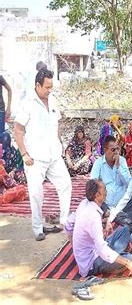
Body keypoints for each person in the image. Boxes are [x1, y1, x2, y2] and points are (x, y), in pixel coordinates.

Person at [14, 68, 72, 241]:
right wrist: (24, 154)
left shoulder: (52, 100)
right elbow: (18, 130)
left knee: (66, 184)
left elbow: (58, 123)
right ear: (37, 85)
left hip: (53, 154)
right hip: (34, 158)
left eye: (51, 87)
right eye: (46, 87)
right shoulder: (27, 103)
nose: (49, 90)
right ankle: (38, 228)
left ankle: (64, 220)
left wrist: (59, 143)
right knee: (36, 193)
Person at [64, 179, 132, 278]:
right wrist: (127, 263)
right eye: (104, 189)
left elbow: (68, 225)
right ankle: (118, 256)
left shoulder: (84, 203)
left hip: (93, 251)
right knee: (129, 258)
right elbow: (102, 249)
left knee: (125, 230)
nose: (107, 191)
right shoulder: (93, 216)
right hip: (91, 263)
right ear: (97, 195)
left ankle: (116, 255)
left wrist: (75, 247)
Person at [91, 135, 132, 208]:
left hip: (122, 204)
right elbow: (92, 185)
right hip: (105, 204)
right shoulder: (98, 163)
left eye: (117, 149)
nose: (116, 152)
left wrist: (118, 166)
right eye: (113, 150)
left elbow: (129, 183)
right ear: (105, 150)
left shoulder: (122, 161)